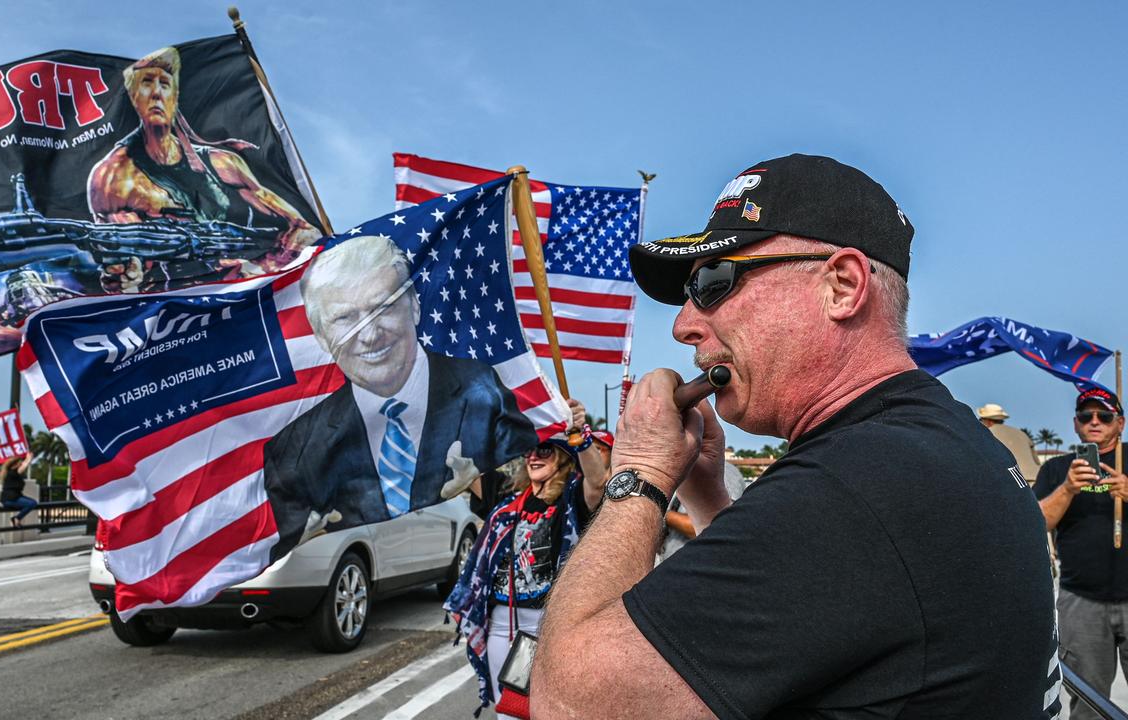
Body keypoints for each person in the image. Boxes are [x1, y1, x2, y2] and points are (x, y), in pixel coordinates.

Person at [532, 154, 1060, 718]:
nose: (684, 325)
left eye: (713, 282)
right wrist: (705, 491)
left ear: (842, 286)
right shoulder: (932, 438)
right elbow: (801, 608)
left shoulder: (856, 486)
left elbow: (569, 701)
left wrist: (639, 471)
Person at [263, 235, 538, 559]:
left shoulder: (486, 392)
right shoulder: (294, 449)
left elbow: (521, 492)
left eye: (384, 307)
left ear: (415, 305)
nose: (369, 334)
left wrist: (566, 432)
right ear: (322, 337)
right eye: (345, 318)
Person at [87, 46, 321, 291]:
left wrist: (260, 270)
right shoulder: (113, 178)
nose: (157, 92)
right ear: (134, 96)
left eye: (165, 84)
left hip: (247, 293)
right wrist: (125, 277)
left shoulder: (221, 163)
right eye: (146, 83)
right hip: (182, 308)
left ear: (175, 96)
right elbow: (123, 266)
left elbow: (305, 229)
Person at [444, 420, 609, 716]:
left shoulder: (571, 501)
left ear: (561, 457)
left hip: (549, 624)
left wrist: (580, 436)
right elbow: (464, 467)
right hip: (501, 624)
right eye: (529, 451)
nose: (533, 456)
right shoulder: (506, 502)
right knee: (508, 709)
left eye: (544, 450)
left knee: (550, 710)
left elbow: (598, 482)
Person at [1033, 387, 1128, 720]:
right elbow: (1037, 522)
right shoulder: (1058, 469)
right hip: (1081, 602)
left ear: (1121, 422)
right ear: (1075, 424)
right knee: (1089, 703)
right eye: (1086, 416)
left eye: (1104, 415)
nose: (1095, 422)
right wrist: (1068, 488)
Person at [978, 402, 1043, 483]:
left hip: (1013, 482)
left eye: (981, 420)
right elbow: (1037, 461)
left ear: (988, 421)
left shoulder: (987, 434)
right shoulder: (1021, 434)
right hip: (1036, 480)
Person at [0, 452, 38, 529]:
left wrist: (28, 458)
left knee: (32, 502)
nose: (20, 465)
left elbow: (23, 465)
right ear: (15, 465)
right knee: (32, 503)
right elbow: (24, 466)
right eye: (19, 463)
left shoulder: (10, 472)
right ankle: (17, 518)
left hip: (13, 498)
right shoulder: (12, 473)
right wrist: (29, 458)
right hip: (10, 499)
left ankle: (17, 518)